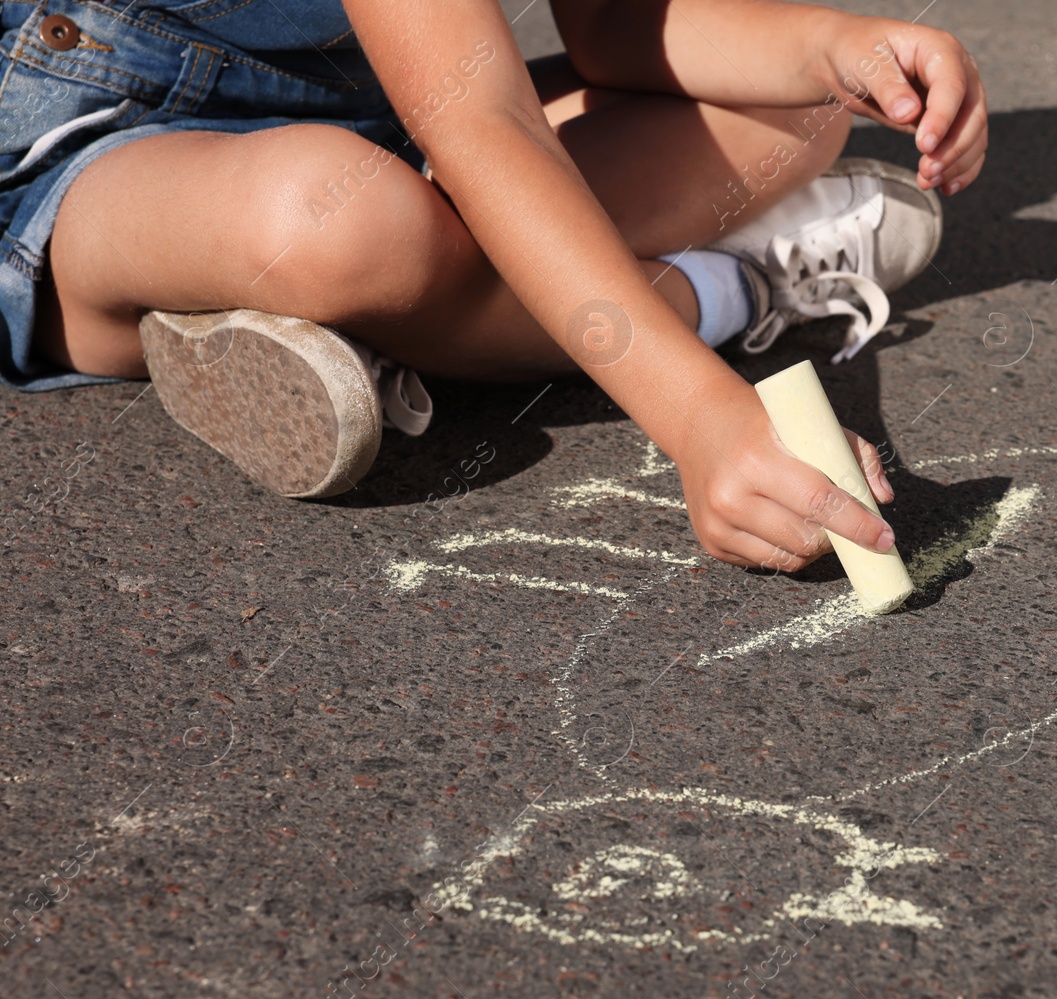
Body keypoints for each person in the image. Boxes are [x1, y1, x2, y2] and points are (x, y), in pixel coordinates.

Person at [1, 0, 988, 572]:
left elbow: (611, 28)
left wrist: (824, 45)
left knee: (795, 111)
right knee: (335, 225)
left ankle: (384, 326)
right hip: (92, 154)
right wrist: (698, 412)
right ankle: (722, 291)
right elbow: (484, 126)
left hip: (391, 122)